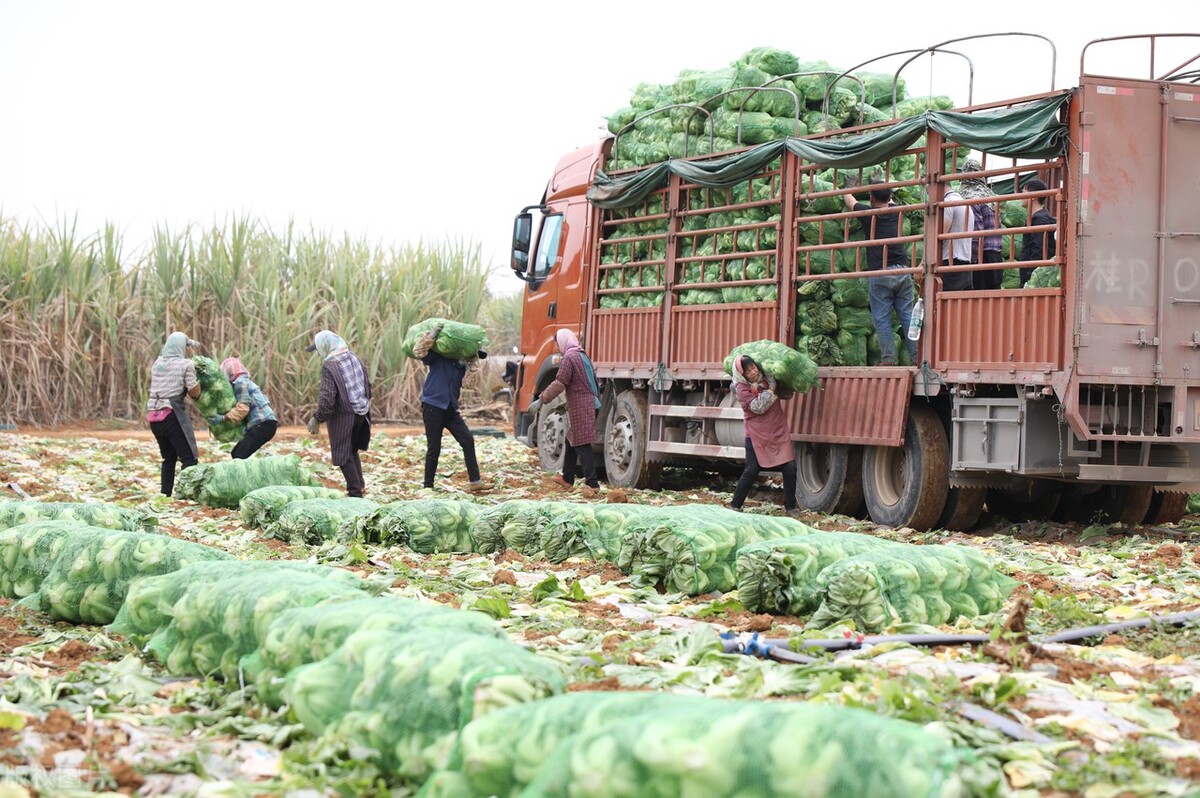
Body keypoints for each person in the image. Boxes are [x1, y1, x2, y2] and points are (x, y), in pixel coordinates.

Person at [843, 176, 916, 365]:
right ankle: (917, 356)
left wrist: (849, 187)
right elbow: (888, 199)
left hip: (880, 272)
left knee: (882, 319)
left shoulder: (869, 214)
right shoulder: (897, 211)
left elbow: (849, 200)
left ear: (872, 198)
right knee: (907, 315)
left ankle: (888, 359)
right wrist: (880, 185)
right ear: (890, 196)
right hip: (902, 271)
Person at [412, 323, 489, 492]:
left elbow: (468, 384)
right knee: (434, 447)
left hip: (450, 408)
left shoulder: (461, 365)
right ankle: (428, 486)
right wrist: (431, 336)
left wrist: (473, 362)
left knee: (467, 440)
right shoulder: (440, 357)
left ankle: (475, 482)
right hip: (433, 405)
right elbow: (419, 352)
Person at [528, 329, 601, 491]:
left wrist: (541, 400)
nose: (558, 347)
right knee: (571, 439)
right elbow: (588, 383)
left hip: (583, 407)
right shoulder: (582, 355)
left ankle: (592, 484)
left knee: (582, 445)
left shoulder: (569, 357)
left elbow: (560, 383)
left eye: (558, 343)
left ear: (563, 341)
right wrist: (568, 404)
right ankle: (567, 478)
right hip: (591, 404)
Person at [306, 330, 372, 497]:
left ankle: (355, 492)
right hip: (361, 412)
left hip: (345, 416)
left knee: (343, 453)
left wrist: (317, 417)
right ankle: (360, 486)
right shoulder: (353, 357)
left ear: (326, 347)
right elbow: (367, 385)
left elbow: (327, 397)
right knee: (351, 450)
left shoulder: (330, 365)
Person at [729, 355, 798, 514]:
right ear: (742, 375)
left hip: (776, 431)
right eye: (748, 371)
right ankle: (736, 504)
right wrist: (771, 388)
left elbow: (787, 394)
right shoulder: (742, 389)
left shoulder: (766, 379)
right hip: (756, 435)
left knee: (790, 467)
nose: (753, 372)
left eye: (754, 367)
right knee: (752, 469)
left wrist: (778, 379)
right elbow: (758, 407)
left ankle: (790, 506)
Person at [146, 331, 202, 496]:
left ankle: (165, 494)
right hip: (171, 415)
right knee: (189, 459)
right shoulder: (186, 365)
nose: (188, 349)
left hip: (154, 416)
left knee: (168, 458)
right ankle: (187, 495)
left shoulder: (157, 364)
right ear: (181, 347)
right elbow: (194, 392)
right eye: (187, 346)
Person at [211, 357, 277, 459]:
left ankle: (247, 474)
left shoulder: (240, 383)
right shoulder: (244, 381)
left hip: (262, 424)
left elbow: (243, 409)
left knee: (239, 455)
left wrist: (223, 418)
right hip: (264, 424)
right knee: (235, 453)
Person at [957, 159, 1003, 290]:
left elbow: (976, 231)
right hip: (995, 253)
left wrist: (972, 259)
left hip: (981, 256)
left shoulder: (970, 197)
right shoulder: (989, 194)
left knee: (978, 301)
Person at [1018, 178, 1057, 287]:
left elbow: (1038, 251)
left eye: (1024, 191)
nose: (1021, 195)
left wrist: (1030, 277)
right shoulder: (1037, 218)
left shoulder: (1039, 220)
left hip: (1034, 277)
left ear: (1033, 196)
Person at [941, 184, 975, 291]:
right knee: (962, 305)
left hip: (950, 262)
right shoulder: (966, 204)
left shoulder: (947, 203)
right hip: (965, 262)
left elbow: (940, 235)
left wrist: (923, 262)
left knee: (946, 305)